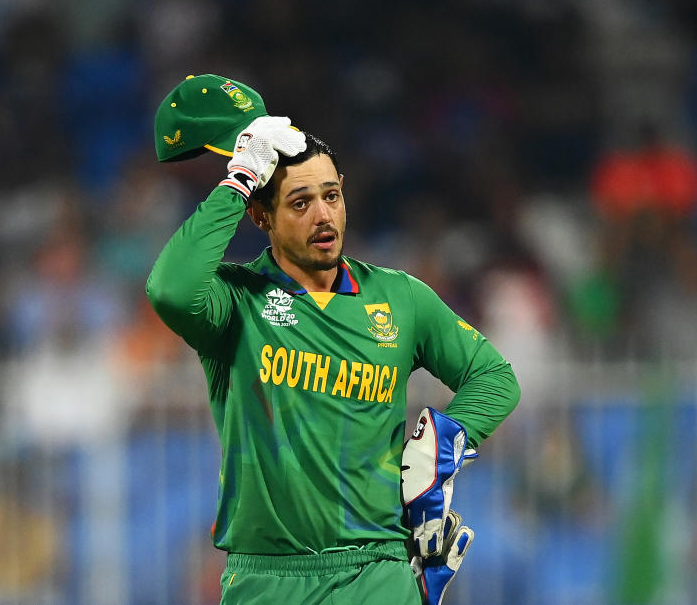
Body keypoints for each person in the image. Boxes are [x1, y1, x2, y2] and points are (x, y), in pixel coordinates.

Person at [146, 114, 520, 605]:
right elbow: (170, 291)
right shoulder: (236, 302)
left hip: (377, 569)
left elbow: (495, 377)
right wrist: (238, 181)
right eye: (300, 202)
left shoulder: (400, 297)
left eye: (331, 195)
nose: (323, 215)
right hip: (266, 578)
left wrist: (441, 445)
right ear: (260, 216)